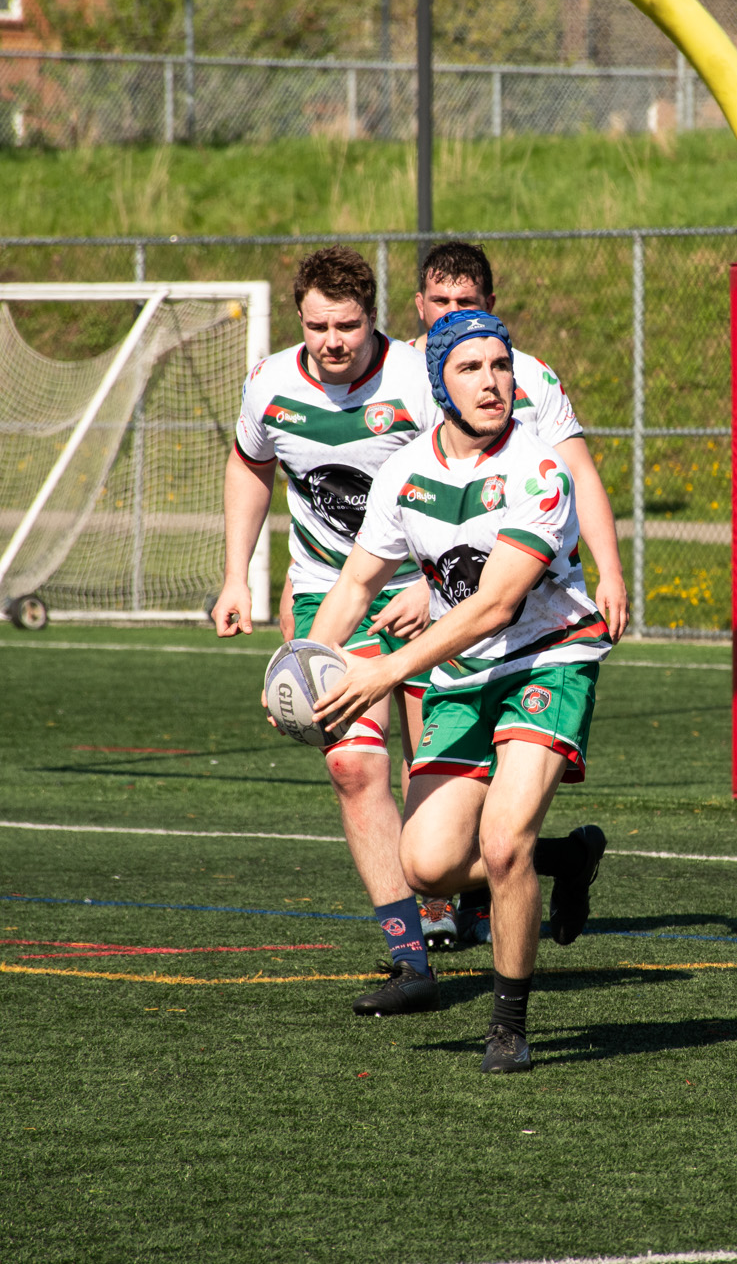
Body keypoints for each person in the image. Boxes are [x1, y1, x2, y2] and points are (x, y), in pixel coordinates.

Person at [309, 309, 612, 1074]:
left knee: (501, 843)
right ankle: (565, 860)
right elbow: (356, 581)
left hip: (547, 658)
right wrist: (302, 661)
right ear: (440, 384)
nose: (492, 382)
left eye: (501, 366)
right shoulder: (405, 473)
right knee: (429, 864)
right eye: (471, 368)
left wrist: (387, 667)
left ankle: (508, 1026)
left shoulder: (539, 470)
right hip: (464, 674)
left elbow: (495, 606)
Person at [212, 246, 444, 1017]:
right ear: (299, 319)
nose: (332, 340)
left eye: (347, 325)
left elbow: (472, 473)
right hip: (326, 596)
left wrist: (444, 587)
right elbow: (250, 465)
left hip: (433, 594)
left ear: (373, 316)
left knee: (445, 805)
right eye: (318, 325)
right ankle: (411, 958)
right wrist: (236, 573)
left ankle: (541, 863)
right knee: (353, 767)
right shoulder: (271, 382)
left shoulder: (418, 379)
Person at [406, 241, 629, 950]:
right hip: (452, 611)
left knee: (502, 831)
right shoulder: (406, 379)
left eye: (466, 303)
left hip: (536, 617)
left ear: (491, 307)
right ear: (419, 306)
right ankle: (529, 866)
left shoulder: (528, 379)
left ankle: (491, 929)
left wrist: (612, 569)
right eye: (440, 303)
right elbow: (412, 494)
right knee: (430, 851)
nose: (452, 314)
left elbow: (580, 474)